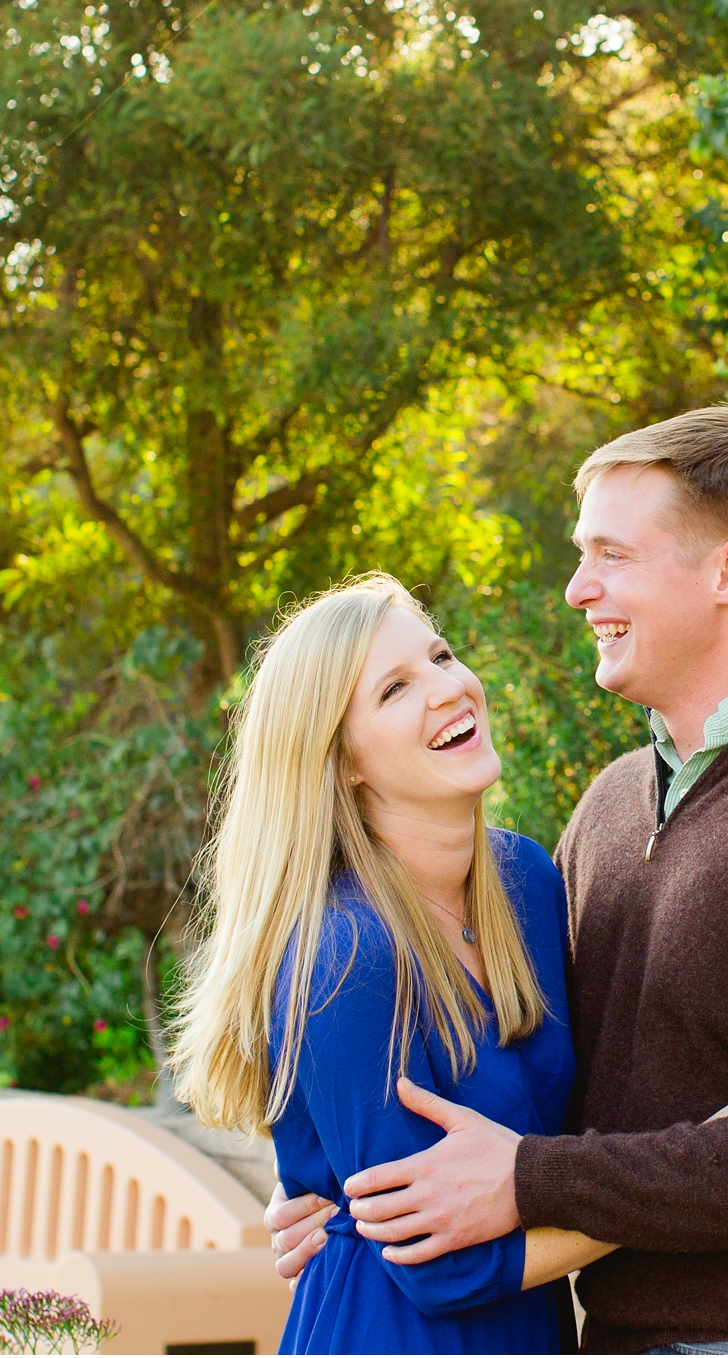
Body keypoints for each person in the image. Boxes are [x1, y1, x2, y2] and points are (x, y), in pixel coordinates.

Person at [266, 413, 728, 1357]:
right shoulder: (608, 809)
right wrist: (344, 1170)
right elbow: (548, 1085)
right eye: (581, 554)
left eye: (612, 553)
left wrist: (534, 1180)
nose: (577, 588)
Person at [172, 572, 601, 1354]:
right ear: (343, 764)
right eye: (395, 688)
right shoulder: (344, 953)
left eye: (440, 655)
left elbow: (558, 1131)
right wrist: (667, 1204)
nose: (448, 688)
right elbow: (440, 1268)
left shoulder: (527, 882)